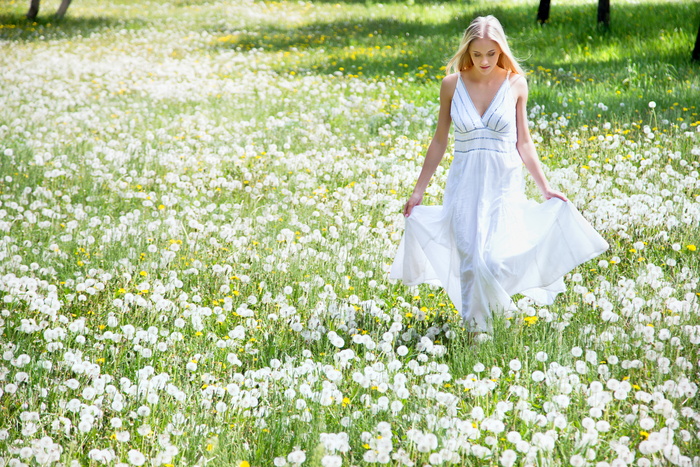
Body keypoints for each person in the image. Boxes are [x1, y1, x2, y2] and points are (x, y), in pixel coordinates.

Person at [390, 15, 608, 332]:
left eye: (491, 54)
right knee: (471, 261)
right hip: (464, 183)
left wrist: (545, 188)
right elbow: (439, 141)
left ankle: (497, 318)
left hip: (502, 183)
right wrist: (418, 191)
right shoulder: (451, 85)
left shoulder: (515, 84)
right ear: (467, 51)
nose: (484, 61)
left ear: (501, 50)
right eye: (477, 54)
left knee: (494, 260)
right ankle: (476, 333)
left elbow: (524, 141)